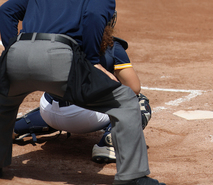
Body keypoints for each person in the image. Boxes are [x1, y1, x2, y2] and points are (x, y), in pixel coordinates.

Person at [0, 0, 164, 185]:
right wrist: (93, 61)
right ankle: (132, 177)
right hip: (60, 57)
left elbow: (5, 11)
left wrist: (12, 46)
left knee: (3, 104)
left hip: (18, 53)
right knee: (127, 102)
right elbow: (95, 18)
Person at [12, 13, 152, 165]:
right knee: (138, 101)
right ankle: (109, 143)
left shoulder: (59, 40)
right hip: (83, 117)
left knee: (58, 96)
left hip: (48, 111)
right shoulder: (112, 46)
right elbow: (134, 88)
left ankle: (15, 127)